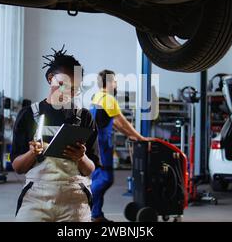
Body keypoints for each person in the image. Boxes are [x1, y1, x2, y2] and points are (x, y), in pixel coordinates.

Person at [11, 48, 100, 222]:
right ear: (50, 78)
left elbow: (90, 169)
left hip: (75, 199)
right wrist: (32, 154)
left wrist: (81, 157)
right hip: (36, 197)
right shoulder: (29, 114)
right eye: (63, 85)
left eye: (74, 88)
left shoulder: (84, 118)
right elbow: (18, 168)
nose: (68, 92)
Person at [90, 69, 148, 222]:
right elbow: (122, 121)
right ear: (109, 83)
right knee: (105, 179)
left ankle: (96, 215)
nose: (116, 84)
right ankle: (87, 204)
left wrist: (130, 135)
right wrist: (141, 137)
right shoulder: (109, 99)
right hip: (102, 145)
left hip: (96, 144)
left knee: (98, 178)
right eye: (114, 81)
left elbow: (114, 123)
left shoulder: (97, 96)